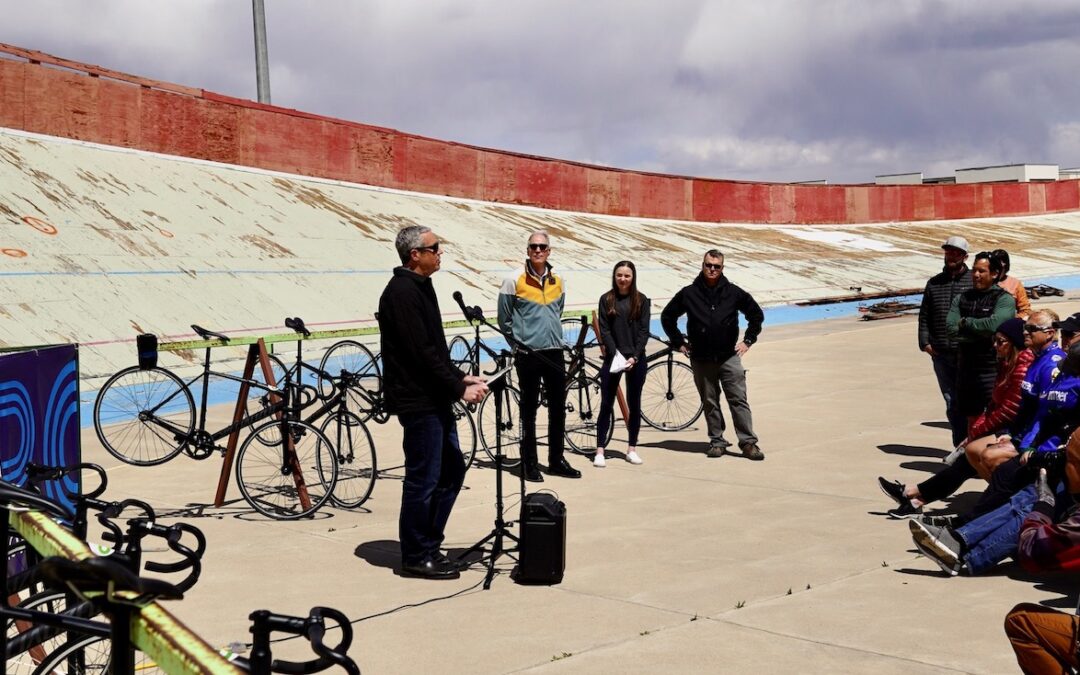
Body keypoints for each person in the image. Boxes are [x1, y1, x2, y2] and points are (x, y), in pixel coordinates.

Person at [377, 225, 488, 579]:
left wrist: (459, 376)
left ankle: (429, 542)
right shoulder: (401, 293)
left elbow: (434, 349)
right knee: (423, 478)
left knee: (452, 470)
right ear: (415, 255)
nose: (440, 253)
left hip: (435, 396)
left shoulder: (422, 287)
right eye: (434, 248)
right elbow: (419, 353)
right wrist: (458, 389)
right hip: (418, 401)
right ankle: (415, 554)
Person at [878, 317, 1033, 517]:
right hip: (1006, 427)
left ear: (1015, 343)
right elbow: (995, 405)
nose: (995, 345)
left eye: (1000, 341)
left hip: (1016, 430)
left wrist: (977, 432)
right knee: (967, 457)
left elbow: (1008, 411)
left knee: (973, 452)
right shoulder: (1007, 364)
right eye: (994, 340)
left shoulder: (1022, 369)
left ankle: (917, 496)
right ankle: (915, 496)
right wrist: (979, 426)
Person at [661, 249, 764, 459]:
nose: (712, 269)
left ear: (722, 268)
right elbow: (667, 316)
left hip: (729, 357)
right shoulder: (689, 293)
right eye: (709, 265)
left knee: (738, 401)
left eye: (716, 266)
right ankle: (717, 441)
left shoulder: (733, 292)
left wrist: (748, 340)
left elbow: (756, 314)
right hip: (701, 358)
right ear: (702, 265)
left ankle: (748, 443)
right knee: (710, 402)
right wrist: (679, 342)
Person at [497, 230, 580, 482]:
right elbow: (504, 319)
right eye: (533, 246)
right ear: (527, 250)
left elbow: (558, 311)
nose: (537, 250)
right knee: (528, 410)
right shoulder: (513, 280)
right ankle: (529, 463)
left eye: (542, 246)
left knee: (558, 409)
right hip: (528, 354)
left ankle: (556, 460)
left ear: (549, 251)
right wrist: (518, 344)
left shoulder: (559, 280)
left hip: (554, 352)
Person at [946, 251, 1016, 432]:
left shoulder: (1004, 299)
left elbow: (994, 326)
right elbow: (951, 329)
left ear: (994, 274)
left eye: (982, 271)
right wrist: (979, 331)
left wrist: (966, 322)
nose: (976, 275)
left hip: (993, 371)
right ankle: (968, 456)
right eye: (974, 270)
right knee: (970, 419)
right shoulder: (962, 298)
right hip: (966, 370)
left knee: (993, 419)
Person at [593, 261, 651, 468]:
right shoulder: (606, 299)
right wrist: (615, 352)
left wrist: (635, 356)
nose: (623, 279)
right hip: (613, 358)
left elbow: (644, 331)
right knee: (606, 404)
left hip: (636, 359)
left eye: (627, 275)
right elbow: (605, 329)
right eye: (619, 275)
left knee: (634, 405)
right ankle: (600, 449)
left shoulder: (641, 300)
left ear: (633, 277)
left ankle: (632, 448)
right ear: (614, 276)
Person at [918, 236, 973, 447]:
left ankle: (973, 448)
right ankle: (959, 448)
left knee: (969, 403)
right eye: (948, 252)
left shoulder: (972, 281)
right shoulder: (934, 283)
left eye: (956, 253)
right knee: (951, 402)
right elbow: (924, 315)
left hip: (967, 354)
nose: (951, 256)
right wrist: (925, 342)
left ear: (965, 256)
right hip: (940, 353)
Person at [990, 249, 1031, 320]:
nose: (996, 270)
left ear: (1005, 265)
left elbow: (1025, 311)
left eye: (999, 267)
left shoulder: (1015, 284)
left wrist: (1011, 320)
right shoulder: (983, 281)